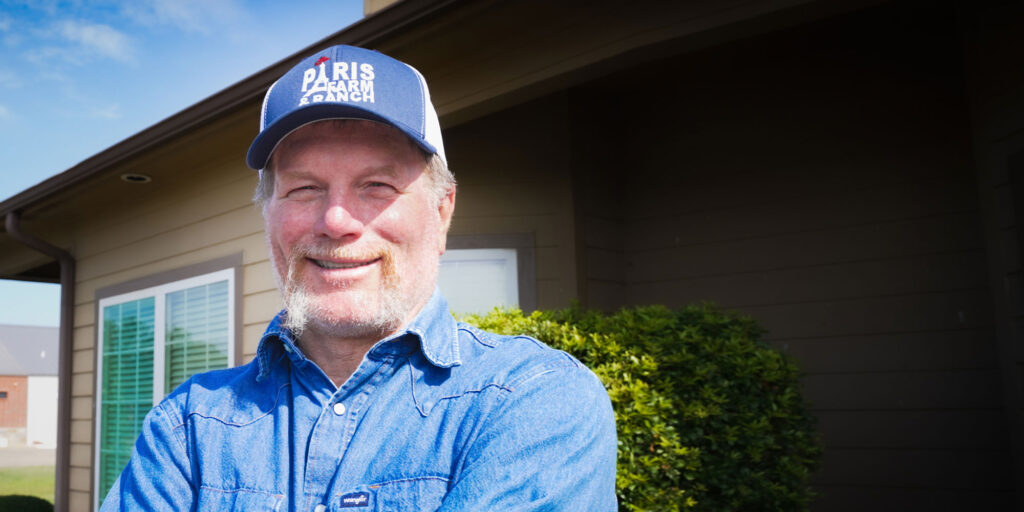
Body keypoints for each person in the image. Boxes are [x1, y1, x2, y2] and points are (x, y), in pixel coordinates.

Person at [101, 44, 617, 511]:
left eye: (377, 185)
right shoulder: (187, 427)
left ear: (441, 213)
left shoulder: (532, 399)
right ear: (268, 216)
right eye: (304, 188)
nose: (336, 221)